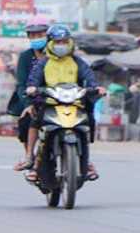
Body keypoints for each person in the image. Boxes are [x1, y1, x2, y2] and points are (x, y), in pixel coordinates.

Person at [24, 24, 104, 181]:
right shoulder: (44, 62)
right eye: (58, 42)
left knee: (87, 121)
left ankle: (86, 162)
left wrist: (96, 87)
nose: (61, 45)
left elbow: (88, 76)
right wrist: (32, 88)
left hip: (75, 102)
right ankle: (34, 163)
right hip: (50, 102)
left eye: (65, 41)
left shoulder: (77, 61)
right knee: (35, 121)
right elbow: (34, 78)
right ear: (50, 43)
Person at [10, 17, 50, 171]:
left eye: (40, 34)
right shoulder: (25, 57)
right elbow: (22, 83)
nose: (36, 37)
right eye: (32, 35)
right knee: (27, 120)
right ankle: (29, 156)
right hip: (33, 98)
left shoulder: (58, 54)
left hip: (58, 96)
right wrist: (28, 104)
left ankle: (85, 160)